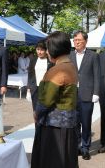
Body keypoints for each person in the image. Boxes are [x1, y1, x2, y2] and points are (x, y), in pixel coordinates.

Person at [31, 31, 78, 168]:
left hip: (54, 127)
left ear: (53, 49)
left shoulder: (57, 70)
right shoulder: (71, 66)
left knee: (52, 160)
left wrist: (37, 113)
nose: (46, 52)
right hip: (68, 123)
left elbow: (46, 101)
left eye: (47, 48)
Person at [70, 30, 100, 160]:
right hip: (71, 95)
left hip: (87, 94)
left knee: (86, 122)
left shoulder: (93, 56)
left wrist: (96, 92)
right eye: (75, 40)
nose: (76, 42)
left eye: (79, 40)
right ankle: (77, 146)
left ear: (85, 41)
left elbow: (97, 75)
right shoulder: (69, 55)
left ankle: (86, 148)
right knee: (75, 122)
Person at [27, 39, 53, 111]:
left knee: (46, 110)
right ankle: (37, 122)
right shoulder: (33, 60)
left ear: (46, 51)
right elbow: (30, 74)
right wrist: (28, 89)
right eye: (38, 49)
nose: (39, 52)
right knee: (36, 110)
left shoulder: (50, 61)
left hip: (46, 89)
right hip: (35, 89)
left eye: (42, 50)